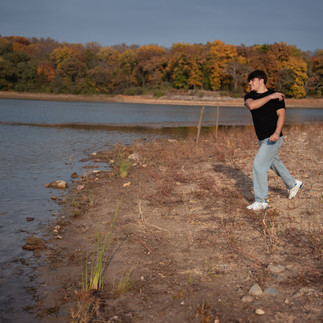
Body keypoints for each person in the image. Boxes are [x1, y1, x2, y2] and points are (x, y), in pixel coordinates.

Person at [244, 70, 303, 210]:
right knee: (274, 163)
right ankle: (293, 184)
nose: (250, 83)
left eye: (252, 80)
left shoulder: (278, 97)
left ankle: (262, 200)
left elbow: (281, 116)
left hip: (273, 138)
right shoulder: (250, 96)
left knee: (258, 165)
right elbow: (251, 105)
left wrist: (277, 132)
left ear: (261, 80)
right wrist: (270, 97)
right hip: (262, 139)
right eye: (249, 81)